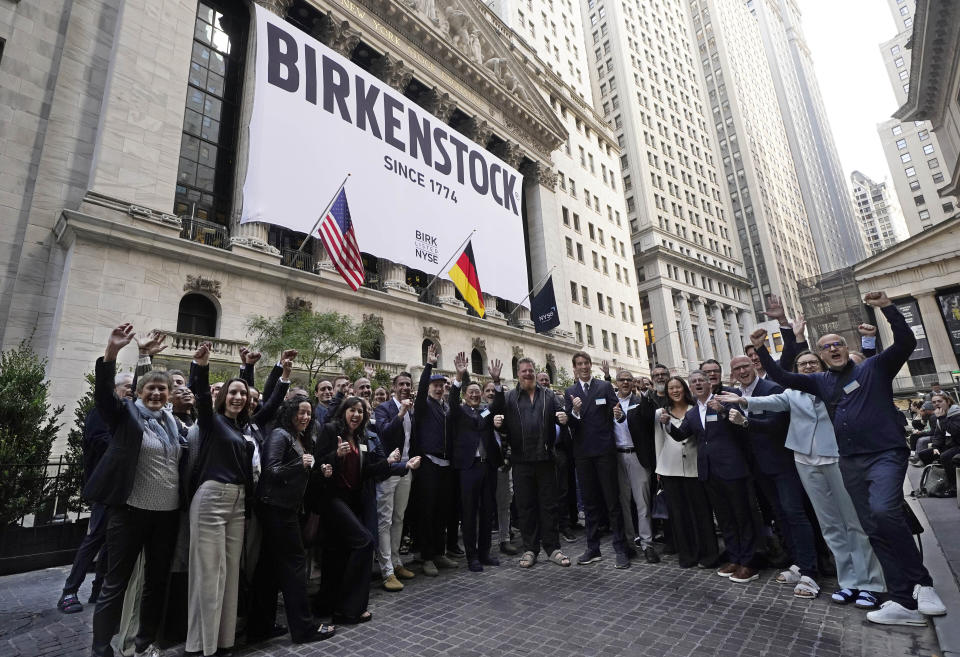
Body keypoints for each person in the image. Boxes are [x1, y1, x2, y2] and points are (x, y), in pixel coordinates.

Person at [751, 290, 947, 626]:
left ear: (846, 348)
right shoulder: (821, 382)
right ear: (823, 356)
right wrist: (760, 349)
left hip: (884, 454)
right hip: (850, 461)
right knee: (872, 526)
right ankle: (901, 600)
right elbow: (783, 377)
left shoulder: (874, 368)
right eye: (825, 346)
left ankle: (922, 584)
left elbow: (904, 342)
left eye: (837, 343)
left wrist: (888, 308)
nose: (832, 349)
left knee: (885, 512)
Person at [717, 351, 886, 605]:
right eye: (803, 364)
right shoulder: (791, 393)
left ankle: (870, 584)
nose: (807, 367)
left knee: (853, 522)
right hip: (806, 460)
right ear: (797, 369)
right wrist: (743, 402)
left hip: (836, 458)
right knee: (830, 525)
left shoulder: (837, 386)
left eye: (812, 363)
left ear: (822, 365)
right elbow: (771, 402)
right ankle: (849, 582)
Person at [86, 324, 185, 657]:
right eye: (150, 389)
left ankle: (143, 643)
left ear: (169, 395)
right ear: (138, 394)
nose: (156, 394)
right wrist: (113, 352)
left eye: (162, 389)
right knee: (117, 582)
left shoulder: (174, 424)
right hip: (130, 513)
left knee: (157, 583)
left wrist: (148, 357)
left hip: (166, 515)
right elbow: (103, 395)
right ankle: (102, 648)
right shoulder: (127, 418)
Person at [185, 342, 288, 657]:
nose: (239, 397)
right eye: (232, 393)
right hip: (211, 499)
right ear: (222, 397)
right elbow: (201, 397)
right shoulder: (212, 422)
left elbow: (268, 403)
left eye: (243, 394)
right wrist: (200, 366)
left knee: (230, 574)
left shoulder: (245, 425)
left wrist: (282, 374)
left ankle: (224, 642)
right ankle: (199, 646)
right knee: (208, 573)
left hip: (239, 503)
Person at [726, 354, 820, 596]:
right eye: (737, 369)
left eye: (745, 366)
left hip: (782, 463)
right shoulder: (735, 394)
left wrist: (746, 422)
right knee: (780, 515)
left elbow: (778, 424)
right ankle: (797, 563)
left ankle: (810, 569)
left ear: (754, 366)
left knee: (795, 513)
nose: (742, 371)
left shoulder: (772, 388)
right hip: (758, 468)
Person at [248, 395, 336, 645]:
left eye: (308, 413)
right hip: (277, 510)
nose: (305, 417)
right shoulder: (279, 434)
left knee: (269, 569)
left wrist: (317, 469)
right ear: (289, 412)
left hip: (285, 509)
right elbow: (272, 470)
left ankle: (260, 626)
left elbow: (296, 470)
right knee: (294, 568)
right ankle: (303, 628)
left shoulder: (297, 437)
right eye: (301, 412)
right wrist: (301, 464)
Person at [661, 370, 759, 584]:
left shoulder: (725, 401)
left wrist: (723, 412)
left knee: (742, 516)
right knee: (725, 518)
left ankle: (748, 562)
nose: (697, 384)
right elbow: (680, 435)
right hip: (709, 473)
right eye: (693, 382)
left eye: (700, 380)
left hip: (732, 470)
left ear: (709, 384)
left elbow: (741, 428)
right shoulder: (694, 413)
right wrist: (667, 423)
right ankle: (734, 557)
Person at [57, 371, 135, 615]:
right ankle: (69, 591)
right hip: (105, 489)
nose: (131, 391)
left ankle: (98, 588)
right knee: (94, 539)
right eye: (127, 387)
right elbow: (101, 442)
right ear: (114, 389)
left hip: (124, 489)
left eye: (134, 388)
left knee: (112, 544)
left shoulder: (128, 416)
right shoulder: (101, 412)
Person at [311, 397, 390, 624]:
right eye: (352, 410)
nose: (356, 415)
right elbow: (319, 464)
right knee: (365, 542)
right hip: (332, 499)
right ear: (344, 411)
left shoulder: (360, 437)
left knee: (338, 554)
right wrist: (337, 455)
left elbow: (364, 472)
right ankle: (350, 609)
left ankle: (326, 605)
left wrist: (391, 463)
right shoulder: (330, 430)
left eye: (360, 411)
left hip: (352, 501)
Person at [489, 357, 571, 568]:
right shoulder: (510, 397)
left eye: (531, 371)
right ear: (518, 374)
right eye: (524, 371)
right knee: (526, 507)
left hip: (545, 459)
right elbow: (496, 411)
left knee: (549, 506)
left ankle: (553, 549)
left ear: (535, 373)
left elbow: (563, 415)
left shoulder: (549, 395)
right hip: (521, 461)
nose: (528, 374)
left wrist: (564, 418)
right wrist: (496, 384)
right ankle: (530, 549)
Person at [565, 352, 631, 569]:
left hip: (604, 452)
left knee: (612, 502)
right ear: (574, 368)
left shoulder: (603, 387)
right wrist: (574, 412)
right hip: (583, 454)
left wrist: (619, 414)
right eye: (579, 364)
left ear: (590, 366)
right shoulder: (570, 392)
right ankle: (593, 548)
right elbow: (570, 425)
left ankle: (620, 548)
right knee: (590, 504)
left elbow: (618, 414)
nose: (584, 367)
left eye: (586, 363)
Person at [654, 376, 719, 569]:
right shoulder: (661, 412)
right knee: (679, 514)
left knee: (701, 512)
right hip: (670, 468)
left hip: (694, 467)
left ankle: (708, 554)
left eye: (678, 387)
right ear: (667, 392)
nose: (675, 391)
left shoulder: (696, 409)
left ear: (685, 389)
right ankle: (687, 555)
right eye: (671, 388)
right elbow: (659, 440)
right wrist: (659, 467)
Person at [451, 352, 502, 572]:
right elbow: (451, 401)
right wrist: (459, 376)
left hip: (487, 467)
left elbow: (499, 405)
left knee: (487, 511)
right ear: (465, 395)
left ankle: (485, 553)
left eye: (477, 392)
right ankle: (472, 557)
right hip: (468, 469)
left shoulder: (486, 412)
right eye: (470, 392)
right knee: (470, 513)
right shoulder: (459, 412)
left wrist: (497, 382)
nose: (474, 395)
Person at [410, 344, 459, 576]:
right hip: (428, 464)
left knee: (443, 510)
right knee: (427, 511)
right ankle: (427, 556)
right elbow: (419, 392)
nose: (439, 389)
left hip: (446, 466)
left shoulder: (447, 408)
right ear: (429, 387)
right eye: (435, 385)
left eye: (442, 386)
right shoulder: (423, 405)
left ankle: (439, 553)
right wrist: (429, 364)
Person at [609, 364, 659, 563]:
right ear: (616, 383)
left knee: (642, 503)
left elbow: (648, 419)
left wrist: (645, 393)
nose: (626, 382)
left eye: (629, 379)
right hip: (617, 458)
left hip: (638, 457)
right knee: (623, 503)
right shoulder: (609, 403)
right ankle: (629, 543)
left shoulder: (640, 401)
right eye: (622, 379)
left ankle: (647, 544)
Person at [373, 371, 418, 591]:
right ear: (394, 386)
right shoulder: (383, 408)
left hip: (408, 470)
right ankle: (386, 571)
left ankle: (396, 561)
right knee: (385, 520)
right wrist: (400, 413)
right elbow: (385, 432)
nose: (405, 388)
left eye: (408, 384)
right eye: (401, 384)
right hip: (388, 470)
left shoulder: (413, 410)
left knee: (399, 517)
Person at [916, 392, 960, 495]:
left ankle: (954, 486)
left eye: (940, 401)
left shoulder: (957, 414)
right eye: (934, 402)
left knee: (945, 456)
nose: (936, 404)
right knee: (924, 454)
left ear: (948, 402)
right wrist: (935, 446)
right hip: (949, 445)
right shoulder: (940, 416)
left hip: (958, 444)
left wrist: (942, 418)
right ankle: (941, 479)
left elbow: (955, 431)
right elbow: (938, 435)